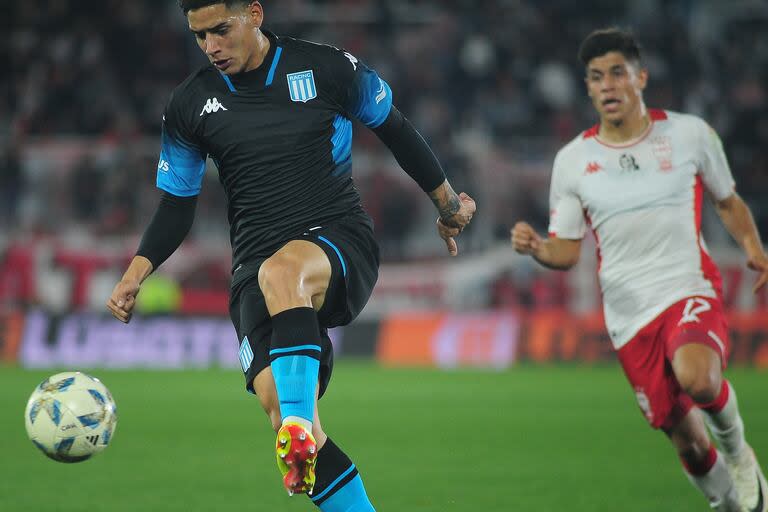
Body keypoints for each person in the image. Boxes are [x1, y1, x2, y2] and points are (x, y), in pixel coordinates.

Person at [106, 0, 476, 509]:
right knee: (280, 409)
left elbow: (395, 128)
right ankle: (301, 431)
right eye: (198, 37)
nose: (210, 47)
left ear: (254, 14)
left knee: (285, 275)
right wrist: (136, 272)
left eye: (220, 30)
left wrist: (448, 205)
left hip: (339, 241)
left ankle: (299, 426)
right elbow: (176, 206)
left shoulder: (327, 68)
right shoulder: (189, 105)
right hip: (252, 268)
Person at [512, 28, 767, 512]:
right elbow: (567, 253)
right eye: (595, 77)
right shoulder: (572, 161)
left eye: (616, 73)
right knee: (687, 442)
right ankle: (732, 506)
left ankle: (739, 453)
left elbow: (727, 200)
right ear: (587, 88)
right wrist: (536, 248)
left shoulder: (690, 134)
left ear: (640, 78)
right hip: (629, 315)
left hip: (687, 287)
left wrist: (753, 246)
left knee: (700, 379)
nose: (607, 85)